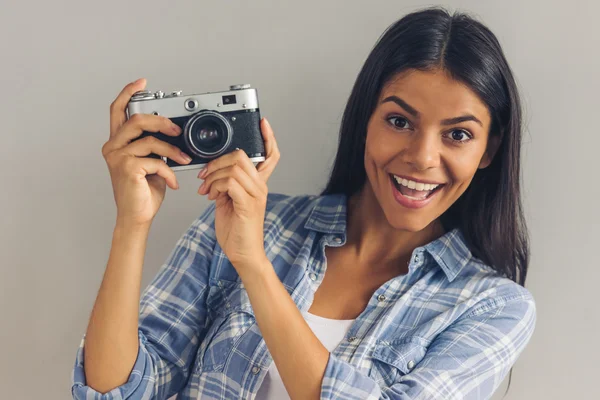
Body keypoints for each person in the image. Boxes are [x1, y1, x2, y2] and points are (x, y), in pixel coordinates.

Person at [71, 6, 536, 400]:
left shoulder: (493, 307)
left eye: (458, 134)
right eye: (399, 121)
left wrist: (254, 265)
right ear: (366, 121)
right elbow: (116, 391)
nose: (421, 157)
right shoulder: (244, 222)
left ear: (488, 150)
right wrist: (131, 224)